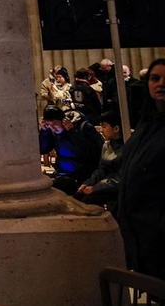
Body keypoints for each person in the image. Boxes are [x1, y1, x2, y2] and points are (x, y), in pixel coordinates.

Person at [82, 58, 165, 281]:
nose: (160, 84)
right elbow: (124, 164)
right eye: (155, 78)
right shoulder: (147, 125)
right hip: (141, 232)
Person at [38, 105, 102, 193]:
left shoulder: (83, 128)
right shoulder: (53, 132)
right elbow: (43, 149)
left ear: (64, 121)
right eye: (49, 125)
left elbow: (91, 151)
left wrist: (71, 132)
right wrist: (45, 131)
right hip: (62, 174)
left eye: (55, 124)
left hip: (84, 175)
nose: (53, 128)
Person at [76, 110, 124, 210]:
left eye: (104, 126)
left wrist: (95, 188)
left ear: (116, 128)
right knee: (78, 196)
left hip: (118, 188)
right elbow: (102, 169)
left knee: (89, 200)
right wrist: (88, 183)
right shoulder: (107, 145)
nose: (101, 130)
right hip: (105, 184)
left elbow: (121, 177)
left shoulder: (127, 147)